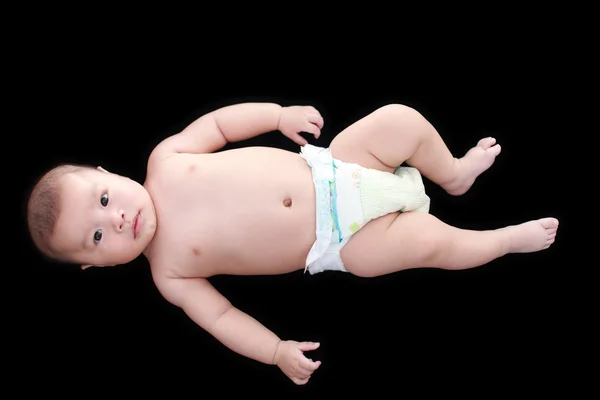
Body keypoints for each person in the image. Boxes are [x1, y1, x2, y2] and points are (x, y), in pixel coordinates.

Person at [26, 102, 559, 385]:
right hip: (343, 243)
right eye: (95, 237)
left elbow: (218, 123)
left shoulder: (167, 158)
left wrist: (277, 115)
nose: (116, 220)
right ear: (94, 266)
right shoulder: (170, 274)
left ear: (106, 171)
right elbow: (221, 319)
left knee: (400, 120)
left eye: (102, 200)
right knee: (433, 246)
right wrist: (275, 352)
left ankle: (454, 174)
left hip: (340, 164)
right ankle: (501, 241)